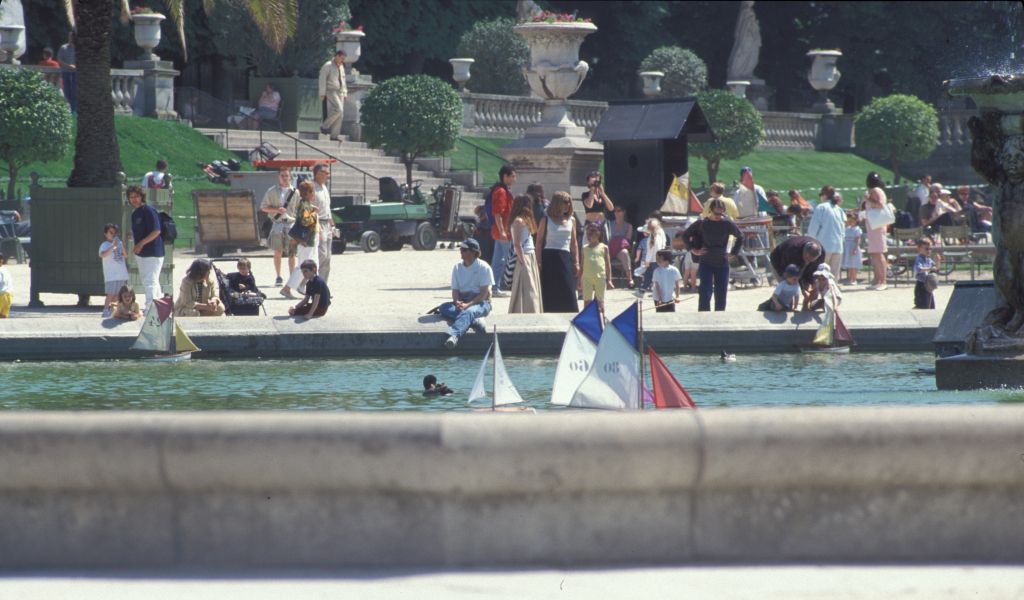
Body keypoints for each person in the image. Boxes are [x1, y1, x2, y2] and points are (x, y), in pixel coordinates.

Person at [683, 198, 744, 312]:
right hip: (706, 262)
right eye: (716, 212)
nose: (718, 215)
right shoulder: (702, 223)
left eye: (721, 213)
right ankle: (703, 317)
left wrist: (734, 253)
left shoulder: (727, 223)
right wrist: (692, 249)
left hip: (722, 262)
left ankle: (719, 318)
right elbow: (685, 235)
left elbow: (740, 237)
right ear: (711, 210)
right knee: (705, 292)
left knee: (721, 293)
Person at [441, 238, 493, 349]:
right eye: (461, 249)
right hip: (463, 302)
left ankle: (454, 335)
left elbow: (484, 294)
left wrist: (467, 305)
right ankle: (474, 321)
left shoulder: (484, 268)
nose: (461, 251)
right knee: (443, 308)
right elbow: (455, 290)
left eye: (464, 249)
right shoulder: (457, 267)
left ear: (474, 252)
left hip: (481, 303)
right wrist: (457, 302)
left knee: (469, 311)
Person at [536, 191, 579, 313]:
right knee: (549, 289)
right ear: (557, 203)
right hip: (549, 256)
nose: (567, 205)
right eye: (564, 203)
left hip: (565, 256)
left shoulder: (572, 220)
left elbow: (574, 243)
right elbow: (539, 242)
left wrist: (576, 262)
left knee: (568, 289)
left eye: (569, 203)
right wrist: (538, 261)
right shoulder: (546, 219)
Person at [280, 180, 319, 299]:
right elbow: (305, 221)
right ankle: (287, 288)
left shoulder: (305, 203)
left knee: (313, 264)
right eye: (313, 191)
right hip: (306, 240)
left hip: (310, 240)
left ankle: (305, 287)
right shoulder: (305, 205)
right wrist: (314, 214)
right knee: (304, 266)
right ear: (309, 192)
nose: (314, 194)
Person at [127, 185, 164, 308]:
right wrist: (132, 236)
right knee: (150, 281)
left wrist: (140, 243)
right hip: (141, 253)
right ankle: (160, 308)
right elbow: (141, 231)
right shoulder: (135, 213)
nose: (134, 199)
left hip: (153, 251)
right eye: (131, 197)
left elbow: (156, 231)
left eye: (136, 196)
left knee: (150, 281)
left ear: (142, 197)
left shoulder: (148, 210)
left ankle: (150, 308)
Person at [260, 167, 297, 285]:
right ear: (278, 177)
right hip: (278, 224)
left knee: (292, 253)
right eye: (282, 176)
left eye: (287, 175)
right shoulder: (272, 191)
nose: (285, 178)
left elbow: (299, 208)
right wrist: (276, 209)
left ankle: (292, 277)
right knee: (278, 252)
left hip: (291, 224)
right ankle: (278, 276)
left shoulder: (295, 192)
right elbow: (263, 207)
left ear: (290, 177)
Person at [508, 195, 542, 314]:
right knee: (528, 289)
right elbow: (517, 244)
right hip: (524, 256)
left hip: (529, 255)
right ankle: (529, 312)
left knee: (531, 288)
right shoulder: (518, 221)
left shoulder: (524, 220)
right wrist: (523, 261)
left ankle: (533, 311)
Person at [769, 235, 824, 305]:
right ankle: (777, 305)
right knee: (788, 288)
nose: (808, 262)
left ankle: (806, 306)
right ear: (804, 252)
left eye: (811, 261)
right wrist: (803, 290)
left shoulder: (822, 253)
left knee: (812, 287)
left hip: (797, 265)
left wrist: (813, 284)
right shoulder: (792, 251)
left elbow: (815, 271)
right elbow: (792, 275)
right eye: (807, 259)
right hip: (779, 262)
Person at [807, 185, 846, 277]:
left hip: (823, 246)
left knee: (820, 274)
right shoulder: (839, 209)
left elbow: (813, 228)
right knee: (833, 276)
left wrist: (810, 240)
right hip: (838, 246)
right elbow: (843, 229)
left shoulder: (821, 207)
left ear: (824, 195)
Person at [489, 165, 516, 296]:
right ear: (505, 176)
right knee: (506, 260)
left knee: (498, 260)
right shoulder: (501, 191)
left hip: (500, 230)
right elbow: (498, 213)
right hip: (503, 231)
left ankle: (495, 287)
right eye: (512, 176)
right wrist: (503, 231)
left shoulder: (500, 190)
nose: (514, 179)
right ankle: (499, 286)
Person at [862, 171, 889, 290]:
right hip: (874, 226)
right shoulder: (878, 190)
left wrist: (868, 199)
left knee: (878, 254)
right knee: (874, 254)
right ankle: (877, 279)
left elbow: (880, 205)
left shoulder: (876, 191)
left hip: (877, 226)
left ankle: (883, 281)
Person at [580, 223, 612, 317]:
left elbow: (608, 264)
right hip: (587, 278)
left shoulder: (604, 247)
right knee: (587, 301)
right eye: (589, 233)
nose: (592, 235)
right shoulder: (584, 248)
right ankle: (587, 319)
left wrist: (609, 279)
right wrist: (579, 280)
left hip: (600, 277)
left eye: (594, 232)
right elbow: (582, 265)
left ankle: (601, 319)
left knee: (600, 301)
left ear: (599, 233)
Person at [98, 223, 129, 318]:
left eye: (115, 233)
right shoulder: (104, 245)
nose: (113, 234)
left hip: (121, 274)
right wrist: (113, 246)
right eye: (111, 232)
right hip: (111, 275)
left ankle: (113, 309)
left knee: (118, 295)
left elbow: (125, 255)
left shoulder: (118, 243)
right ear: (105, 234)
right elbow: (102, 254)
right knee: (110, 293)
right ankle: (105, 310)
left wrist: (121, 245)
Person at [318, 49, 348, 141]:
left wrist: (345, 92)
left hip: (340, 92)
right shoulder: (327, 65)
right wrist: (322, 93)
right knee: (339, 109)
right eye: (342, 58)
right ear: (337, 56)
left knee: (341, 114)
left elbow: (343, 80)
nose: (342, 60)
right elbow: (322, 79)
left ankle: (334, 136)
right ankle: (324, 126)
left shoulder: (341, 66)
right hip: (331, 90)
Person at [311, 164, 334, 282]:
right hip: (318, 223)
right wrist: (317, 227)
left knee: (328, 257)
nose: (328, 175)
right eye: (325, 173)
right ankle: (306, 280)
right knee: (321, 255)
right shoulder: (312, 188)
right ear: (318, 173)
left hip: (327, 225)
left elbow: (328, 208)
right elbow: (310, 210)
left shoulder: (324, 187)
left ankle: (323, 285)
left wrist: (333, 225)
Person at [608, 205, 635, 288]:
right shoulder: (609, 224)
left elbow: (628, 239)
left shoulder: (629, 226)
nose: (616, 213)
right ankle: (608, 281)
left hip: (620, 248)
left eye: (619, 210)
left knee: (625, 253)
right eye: (615, 211)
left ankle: (630, 279)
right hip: (610, 247)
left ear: (624, 212)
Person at [638, 217, 666, 293]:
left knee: (651, 276)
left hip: (653, 261)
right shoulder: (659, 235)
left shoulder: (651, 238)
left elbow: (650, 251)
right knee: (650, 276)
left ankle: (644, 289)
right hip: (659, 259)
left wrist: (647, 261)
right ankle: (643, 290)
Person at [913, 238, 939, 309]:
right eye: (926, 249)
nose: (929, 251)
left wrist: (938, 262)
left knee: (931, 306)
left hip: (928, 286)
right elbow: (919, 269)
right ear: (919, 249)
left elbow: (936, 269)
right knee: (922, 305)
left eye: (930, 249)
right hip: (921, 285)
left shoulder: (928, 259)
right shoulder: (919, 259)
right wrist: (930, 268)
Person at [841, 210, 863, 285]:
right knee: (850, 265)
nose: (850, 222)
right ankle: (850, 279)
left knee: (854, 264)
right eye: (849, 221)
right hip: (847, 247)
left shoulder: (857, 229)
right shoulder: (847, 229)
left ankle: (854, 279)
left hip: (853, 247)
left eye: (852, 221)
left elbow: (858, 239)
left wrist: (855, 248)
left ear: (856, 221)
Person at [57, 33, 76, 113]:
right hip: (66, 72)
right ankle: (70, 109)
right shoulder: (63, 48)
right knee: (67, 91)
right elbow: (60, 60)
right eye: (70, 36)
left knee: (75, 92)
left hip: (76, 73)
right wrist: (68, 66)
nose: (71, 38)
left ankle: (74, 110)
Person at [0, 253, 10, 318]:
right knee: (3, 316)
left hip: (3, 295)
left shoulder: (4, 270)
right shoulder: (5, 269)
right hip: (8, 295)